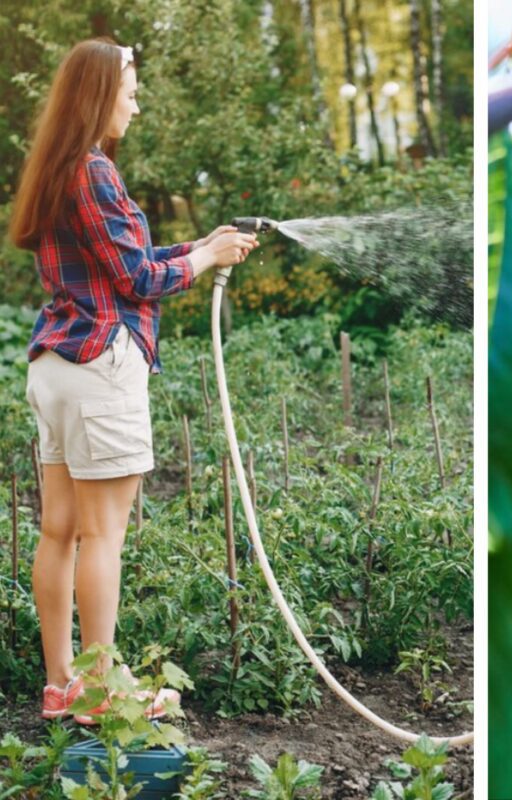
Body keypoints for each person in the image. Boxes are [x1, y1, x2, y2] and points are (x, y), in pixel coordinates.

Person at [7, 38, 259, 725]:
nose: (137, 100)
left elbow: (130, 257)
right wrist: (204, 259)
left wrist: (202, 245)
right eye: (131, 88)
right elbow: (139, 279)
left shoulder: (62, 170)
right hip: (99, 367)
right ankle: (99, 692)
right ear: (99, 94)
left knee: (59, 530)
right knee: (102, 534)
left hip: (56, 365)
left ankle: (63, 683)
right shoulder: (94, 171)